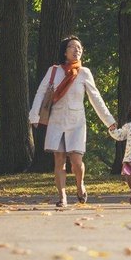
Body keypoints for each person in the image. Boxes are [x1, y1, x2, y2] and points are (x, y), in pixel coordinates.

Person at [29, 35, 116, 207]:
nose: (77, 50)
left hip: (77, 122)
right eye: (72, 47)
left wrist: (109, 121)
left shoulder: (84, 73)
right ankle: (62, 197)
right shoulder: (54, 71)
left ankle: (80, 184)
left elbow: (95, 98)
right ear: (65, 51)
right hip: (57, 120)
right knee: (59, 160)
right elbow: (40, 92)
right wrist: (34, 115)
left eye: (79, 48)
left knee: (76, 161)